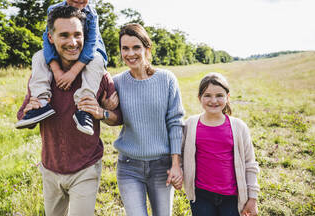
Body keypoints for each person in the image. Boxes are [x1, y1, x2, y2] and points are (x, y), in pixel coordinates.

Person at [17, 5, 121, 216]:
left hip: (86, 167)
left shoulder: (98, 75)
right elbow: (23, 118)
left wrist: (102, 113)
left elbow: (118, 117)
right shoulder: (41, 76)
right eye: (64, 35)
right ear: (51, 38)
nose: (73, 42)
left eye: (77, 35)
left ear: (85, 36)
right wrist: (30, 110)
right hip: (50, 167)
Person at [82, 23, 184, 216]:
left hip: (162, 166)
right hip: (129, 167)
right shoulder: (116, 82)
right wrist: (103, 111)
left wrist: (176, 164)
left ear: (147, 48)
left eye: (136, 47)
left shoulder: (167, 79)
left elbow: (176, 123)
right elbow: (115, 120)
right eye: (125, 48)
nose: (130, 53)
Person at [16, 0, 110, 136]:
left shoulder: (91, 14)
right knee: (38, 56)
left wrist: (73, 72)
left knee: (96, 60)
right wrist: (57, 70)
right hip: (63, 54)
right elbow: (47, 39)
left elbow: (90, 44)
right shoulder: (53, 10)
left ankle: (84, 108)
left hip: (90, 52)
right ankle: (41, 102)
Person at [181, 72, 260, 216]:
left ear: (227, 97)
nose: (213, 100)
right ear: (199, 98)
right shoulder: (190, 124)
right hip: (201, 195)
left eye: (219, 95)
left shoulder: (238, 126)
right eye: (207, 95)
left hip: (232, 197)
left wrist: (252, 198)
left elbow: (250, 164)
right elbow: (179, 155)